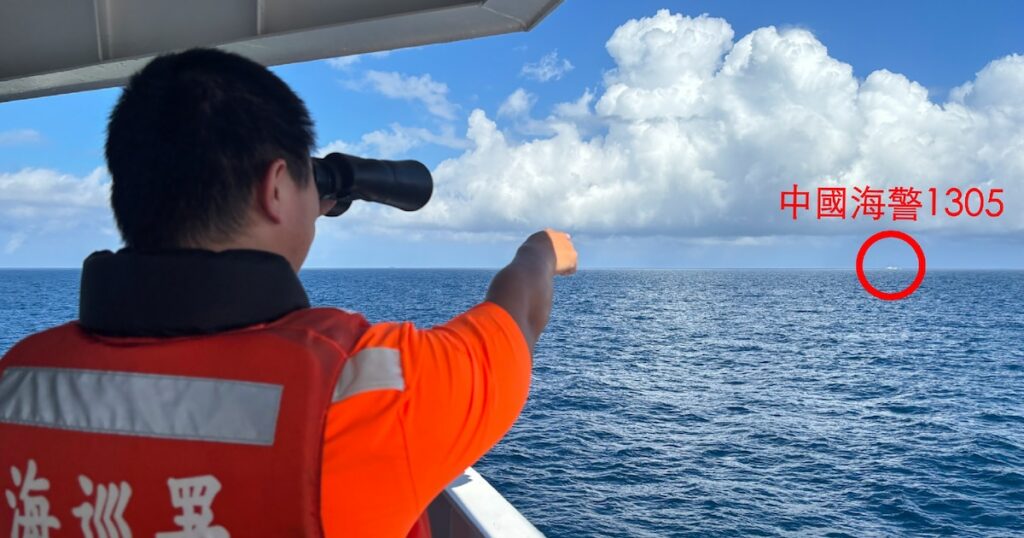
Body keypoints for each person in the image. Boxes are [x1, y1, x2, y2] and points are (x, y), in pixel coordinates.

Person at [0, 48, 576, 536]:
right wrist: (541, 249)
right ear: (276, 187)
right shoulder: (365, 392)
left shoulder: (18, 380)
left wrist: (298, 197)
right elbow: (518, 312)